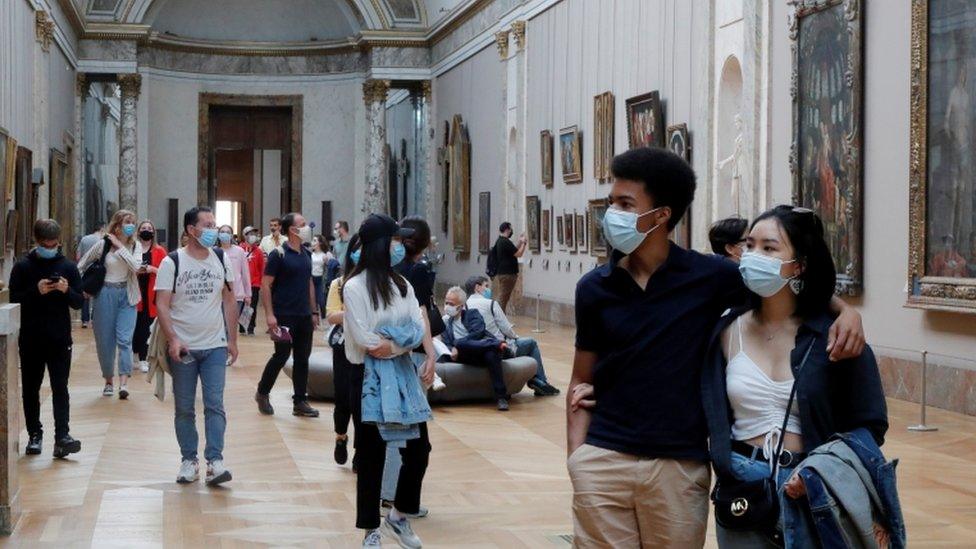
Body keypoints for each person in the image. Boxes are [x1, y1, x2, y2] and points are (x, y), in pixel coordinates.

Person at [565, 147, 865, 548]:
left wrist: (846, 311)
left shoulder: (710, 277)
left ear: (661, 215)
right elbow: (579, 381)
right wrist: (578, 462)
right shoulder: (593, 289)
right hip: (603, 459)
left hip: (679, 465)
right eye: (611, 202)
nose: (611, 213)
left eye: (624, 203)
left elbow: (784, 288)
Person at [700, 205, 889, 546]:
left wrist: (822, 468)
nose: (754, 256)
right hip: (742, 485)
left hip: (814, 486)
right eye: (750, 245)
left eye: (769, 248)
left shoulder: (834, 335)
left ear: (799, 265)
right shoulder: (726, 329)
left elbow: (870, 424)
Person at [342, 214, 435, 548]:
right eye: (396, 240)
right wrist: (401, 339)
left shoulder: (402, 284)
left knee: (419, 448)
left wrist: (394, 343)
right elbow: (366, 340)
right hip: (366, 376)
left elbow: (417, 326)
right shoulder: (354, 287)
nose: (401, 246)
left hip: (402, 373)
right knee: (371, 455)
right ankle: (370, 530)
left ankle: (399, 514)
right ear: (382, 245)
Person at [155, 206, 239, 486]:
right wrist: (174, 338)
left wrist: (232, 339)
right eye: (207, 224)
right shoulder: (172, 262)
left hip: (215, 345)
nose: (214, 229)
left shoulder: (220, 258)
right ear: (191, 230)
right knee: (184, 408)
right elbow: (162, 305)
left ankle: (215, 461)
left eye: (215, 224)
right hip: (185, 347)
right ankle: (188, 460)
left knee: (215, 405)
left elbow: (229, 299)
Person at [380, 216, 443, 514]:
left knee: (397, 427)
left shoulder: (386, 268)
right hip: (412, 353)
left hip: (388, 353)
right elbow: (421, 315)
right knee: (410, 433)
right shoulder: (418, 271)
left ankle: (389, 493)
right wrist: (431, 354)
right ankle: (397, 497)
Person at [10, 219, 84, 458]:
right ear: (36, 241)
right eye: (45, 244)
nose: (49, 247)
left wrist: (65, 290)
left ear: (59, 242)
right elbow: (14, 300)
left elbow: (78, 301)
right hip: (31, 338)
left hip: (60, 338)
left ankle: (62, 436)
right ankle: (34, 434)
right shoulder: (22, 267)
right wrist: (36, 291)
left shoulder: (69, 267)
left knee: (60, 387)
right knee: (31, 388)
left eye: (53, 244)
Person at [255, 213, 320, 418]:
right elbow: (266, 285)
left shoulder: (306, 254)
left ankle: (300, 401)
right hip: (283, 315)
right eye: (302, 224)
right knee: (281, 355)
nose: (307, 227)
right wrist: (270, 315)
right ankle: (262, 392)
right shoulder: (278, 254)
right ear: (292, 229)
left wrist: (314, 310)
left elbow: (309, 282)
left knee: (303, 358)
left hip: (303, 315)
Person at [79, 209, 143, 400]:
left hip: (127, 295)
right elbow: (81, 264)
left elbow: (136, 267)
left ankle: (124, 383)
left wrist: (119, 246)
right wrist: (81, 286)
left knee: (125, 339)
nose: (131, 225)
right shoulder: (102, 245)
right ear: (117, 225)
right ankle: (108, 380)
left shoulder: (135, 246)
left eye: (133, 221)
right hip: (105, 293)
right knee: (105, 341)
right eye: (127, 221)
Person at [464, 275, 559, 397]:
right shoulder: (491, 304)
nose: (488, 290)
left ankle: (536, 380)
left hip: (477, 349)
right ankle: (540, 381)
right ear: (477, 287)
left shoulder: (464, 306)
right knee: (531, 343)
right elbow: (506, 328)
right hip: (499, 348)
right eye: (486, 286)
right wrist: (515, 337)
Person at [441, 287, 510, 411]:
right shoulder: (446, 322)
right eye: (446, 302)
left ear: (460, 306)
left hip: (481, 351)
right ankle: (496, 344)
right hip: (463, 356)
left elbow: (478, 333)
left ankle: (501, 397)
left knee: (490, 354)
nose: (447, 306)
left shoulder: (472, 314)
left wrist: (457, 344)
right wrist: (453, 348)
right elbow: (446, 342)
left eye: (451, 304)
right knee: (460, 345)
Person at [326, 234, 362, 468]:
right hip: (344, 347)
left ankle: (361, 449)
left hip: (368, 348)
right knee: (343, 399)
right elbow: (331, 316)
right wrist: (356, 311)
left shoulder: (378, 283)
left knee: (362, 401)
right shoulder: (338, 284)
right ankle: (341, 436)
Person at [133, 221, 167, 374]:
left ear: (153, 232)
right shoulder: (133, 248)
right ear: (138, 231)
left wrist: (152, 269)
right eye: (143, 228)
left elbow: (167, 272)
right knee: (134, 326)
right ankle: (134, 356)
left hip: (151, 294)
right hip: (135, 291)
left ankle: (143, 358)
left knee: (146, 327)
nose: (146, 230)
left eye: (149, 228)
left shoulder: (159, 251)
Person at [487, 222, 526, 312]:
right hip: (508, 274)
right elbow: (519, 254)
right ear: (507, 230)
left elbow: (513, 251)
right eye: (510, 229)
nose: (511, 231)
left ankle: (501, 319)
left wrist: (520, 242)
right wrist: (524, 243)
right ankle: (499, 319)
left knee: (504, 297)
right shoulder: (505, 242)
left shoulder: (500, 241)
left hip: (503, 273)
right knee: (503, 298)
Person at [217, 225, 252, 323]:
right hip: (218, 296)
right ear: (218, 235)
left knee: (231, 324)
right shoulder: (214, 251)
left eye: (227, 232)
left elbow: (245, 274)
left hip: (237, 295)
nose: (225, 234)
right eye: (222, 232)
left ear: (232, 235)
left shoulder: (239, 251)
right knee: (221, 325)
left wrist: (248, 294)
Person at [76, 222, 105, 328]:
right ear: (102, 229)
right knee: (97, 294)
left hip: (86, 271)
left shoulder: (84, 239)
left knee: (85, 295)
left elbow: (78, 256)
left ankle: (84, 320)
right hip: (98, 271)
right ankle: (94, 319)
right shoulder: (103, 241)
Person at [240, 226, 265, 336]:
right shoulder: (239, 249)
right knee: (241, 305)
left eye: (254, 234)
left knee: (252, 306)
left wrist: (260, 282)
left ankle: (251, 327)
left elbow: (261, 268)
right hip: (241, 283)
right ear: (245, 235)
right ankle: (241, 326)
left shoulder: (258, 251)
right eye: (250, 234)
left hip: (254, 283)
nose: (252, 236)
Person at [311, 234, 329, 319]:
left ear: (320, 243)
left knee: (321, 301)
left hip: (319, 280)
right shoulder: (310, 254)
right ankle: (314, 319)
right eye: (312, 240)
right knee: (311, 300)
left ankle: (324, 318)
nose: (312, 242)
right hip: (311, 279)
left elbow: (328, 268)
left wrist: (327, 262)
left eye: (315, 240)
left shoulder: (324, 255)